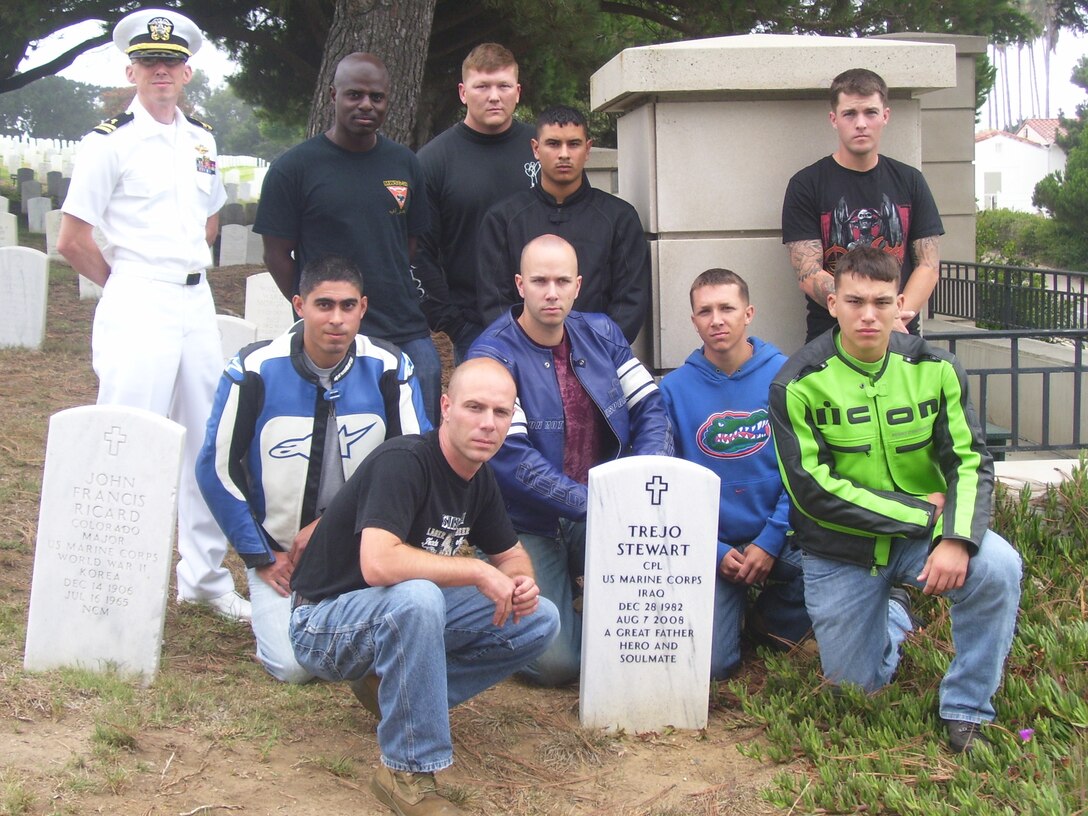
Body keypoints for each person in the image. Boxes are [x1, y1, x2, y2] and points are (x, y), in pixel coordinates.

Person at [768, 245, 1022, 754]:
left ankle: (967, 708)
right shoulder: (795, 383)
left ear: (902, 304)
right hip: (840, 553)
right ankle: (897, 611)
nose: (868, 315)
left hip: (920, 541)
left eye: (882, 302)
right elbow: (814, 493)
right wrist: (927, 515)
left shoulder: (938, 369)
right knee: (854, 694)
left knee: (998, 564)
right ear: (833, 301)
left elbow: (971, 460)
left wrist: (956, 536)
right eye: (855, 301)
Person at [288, 358, 560, 816]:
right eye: (475, 408)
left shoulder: (479, 478)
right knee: (418, 596)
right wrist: (476, 572)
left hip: (394, 615)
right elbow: (378, 563)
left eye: (501, 413)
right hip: (322, 620)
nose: (488, 424)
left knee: (539, 619)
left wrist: (521, 584)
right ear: (446, 407)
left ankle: (395, 695)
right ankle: (406, 772)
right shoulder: (406, 461)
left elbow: (511, 555)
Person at [57, 8, 249, 621]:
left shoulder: (201, 137)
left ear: (187, 71)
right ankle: (111, 575)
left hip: (194, 301)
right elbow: (72, 238)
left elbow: (210, 216)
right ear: (131, 70)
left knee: (206, 439)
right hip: (138, 296)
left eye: (170, 63)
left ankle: (203, 578)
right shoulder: (107, 141)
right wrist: (127, 286)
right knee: (126, 438)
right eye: (149, 63)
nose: (160, 72)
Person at [195, 255, 431, 683]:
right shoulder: (253, 370)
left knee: (395, 630)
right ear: (299, 305)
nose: (336, 319)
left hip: (361, 549)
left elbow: (416, 464)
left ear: (363, 307)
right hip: (281, 555)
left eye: (347, 306)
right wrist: (262, 555)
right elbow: (215, 468)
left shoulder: (391, 369)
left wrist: (333, 528)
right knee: (293, 667)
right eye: (324, 305)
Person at [467, 234, 672, 686]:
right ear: (520, 285)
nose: (552, 292)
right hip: (521, 523)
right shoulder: (492, 354)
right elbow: (513, 463)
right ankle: (493, 598)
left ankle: (580, 599)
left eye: (562, 281)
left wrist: (646, 476)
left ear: (578, 285)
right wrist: (603, 505)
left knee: (654, 610)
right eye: (540, 281)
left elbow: (650, 408)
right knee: (559, 665)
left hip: (599, 505)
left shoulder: (602, 333)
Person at [254, 52, 441, 424]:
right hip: (333, 327)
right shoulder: (293, 169)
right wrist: (316, 307)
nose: (366, 105)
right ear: (332, 95)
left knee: (424, 412)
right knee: (343, 429)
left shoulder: (405, 164)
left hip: (401, 324)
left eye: (377, 97)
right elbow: (276, 254)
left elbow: (410, 243)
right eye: (354, 95)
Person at [659, 269, 811, 680]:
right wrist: (715, 550)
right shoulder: (672, 391)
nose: (717, 320)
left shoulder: (788, 376)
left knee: (828, 567)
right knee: (714, 667)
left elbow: (804, 471)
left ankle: (768, 623)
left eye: (727, 308)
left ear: (748, 312)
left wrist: (770, 540)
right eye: (705, 311)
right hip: (714, 543)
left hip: (781, 535)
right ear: (693, 321)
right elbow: (670, 484)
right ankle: (728, 613)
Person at [782, 68, 944, 342]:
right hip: (831, 340)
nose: (861, 123)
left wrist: (891, 315)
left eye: (870, 112)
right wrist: (865, 311)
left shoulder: (910, 181)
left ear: (885, 116)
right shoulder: (806, 184)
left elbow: (928, 265)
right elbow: (808, 272)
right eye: (849, 114)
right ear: (834, 119)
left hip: (899, 335)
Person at [476, 105, 651, 344]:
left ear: (588, 149)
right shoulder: (503, 219)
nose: (564, 154)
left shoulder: (619, 218)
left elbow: (630, 300)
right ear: (536, 149)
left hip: (598, 358)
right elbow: (494, 300)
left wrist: (595, 350)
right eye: (554, 144)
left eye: (574, 144)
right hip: (521, 358)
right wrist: (525, 350)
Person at [414, 43, 538, 362]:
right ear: (463, 92)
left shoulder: (545, 150)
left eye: (503, 86)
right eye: (482, 86)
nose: (493, 96)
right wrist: (450, 321)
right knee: (486, 413)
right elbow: (417, 250)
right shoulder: (432, 162)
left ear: (518, 91)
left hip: (549, 318)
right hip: (474, 328)